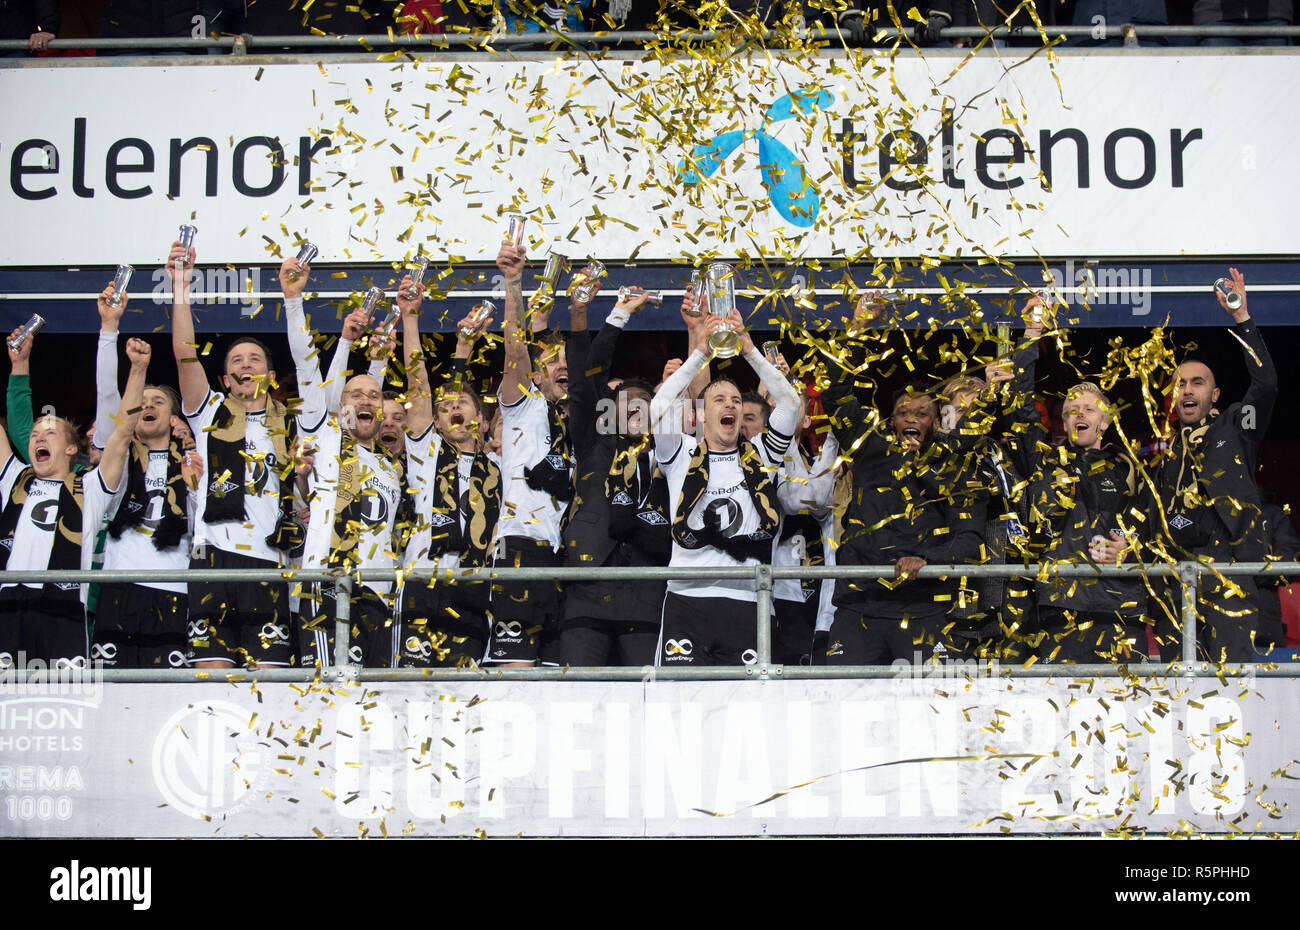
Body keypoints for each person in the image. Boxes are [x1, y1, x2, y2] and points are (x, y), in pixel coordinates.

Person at [171, 237, 300, 669]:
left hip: (270, 559)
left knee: (270, 684)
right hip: (213, 558)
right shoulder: (209, 412)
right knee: (212, 682)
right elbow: (185, 355)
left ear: (270, 374)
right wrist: (181, 286)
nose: (246, 365)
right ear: (225, 379)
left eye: (255, 359)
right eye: (237, 361)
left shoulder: (293, 424)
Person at [559, 286, 704, 667]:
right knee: (579, 692)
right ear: (610, 413)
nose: (637, 409)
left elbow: (697, 406)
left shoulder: (669, 449)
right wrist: (615, 316)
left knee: (646, 694)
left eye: (646, 403)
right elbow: (583, 377)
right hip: (588, 583)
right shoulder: (594, 444)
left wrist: (698, 335)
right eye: (627, 404)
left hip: (647, 585)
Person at [649, 309, 801, 666]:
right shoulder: (682, 452)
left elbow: (790, 403)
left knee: (745, 709)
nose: (730, 404)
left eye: (735, 400)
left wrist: (749, 351)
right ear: (702, 415)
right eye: (719, 400)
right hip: (686, 599)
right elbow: (659, 406)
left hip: (747, 599)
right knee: (680, 705)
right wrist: (700, 354)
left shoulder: (761, 455)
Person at [0, 322, 146, 669]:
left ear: (70, 447)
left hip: (63, 608)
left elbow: (123, 434)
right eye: (34, 434)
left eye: (48, 432)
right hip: (7, 603)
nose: (37, 438)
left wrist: (138, 370)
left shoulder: (92, 487)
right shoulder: (13, 479)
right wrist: (19, 366)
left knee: (61, 710)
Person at [284, 261, 408, 668]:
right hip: (327, 587)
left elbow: (369, 393)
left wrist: (378, 362)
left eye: (374, 395)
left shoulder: (391, 467)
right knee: (327, 705)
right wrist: (294, 301)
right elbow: (308, 370)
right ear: (340, 406)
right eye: (356, 395)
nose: (366, 401)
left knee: (379, 706)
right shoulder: (329, 442)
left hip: (378, 594)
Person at [1151, 268, 1277, 662]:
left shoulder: (1238, 426)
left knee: (1231, 686)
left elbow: (1266, 385)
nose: (1187, 389)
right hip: (1175, 586)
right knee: (1175, 692)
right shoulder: (1165, 453)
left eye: (1198, 382)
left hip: (1229, 578)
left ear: (1215, 393)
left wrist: (1242, 319)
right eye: (1181, 384)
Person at [821, 375, 988, 666]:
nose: (911, 418)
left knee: (932, 707)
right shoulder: (870, 450)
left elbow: (971, 542)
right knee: (845, 703)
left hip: (926, 612)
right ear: (891, 422)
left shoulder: (956, 470)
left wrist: (925, 558)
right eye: (902, 412)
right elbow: (837, 397)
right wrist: (850, 339)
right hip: (860, 607)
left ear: (936, 424)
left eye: (922, 414)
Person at [90, 282, 203, 670]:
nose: (148, 405)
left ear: (174, 417)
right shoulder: (118, 460)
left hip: (174, 589)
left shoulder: (193, 460)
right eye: (143, 401)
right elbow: (108, 395)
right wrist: (110, 329)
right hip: (120, 588)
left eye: (159, 401)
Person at [395, 277, 502, 668]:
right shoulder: (426, 452)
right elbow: (418, 384)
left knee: (468, 693)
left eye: (464, 403)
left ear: (482, 418)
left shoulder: (500, 468)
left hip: (476, 585)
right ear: (436, 423)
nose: (454, 408)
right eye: (445, 407)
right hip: (424, 579)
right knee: (411, 689)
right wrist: (410, 318)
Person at [489, 239, 575, 666]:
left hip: (563, 555)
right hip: (520, 544)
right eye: (552, 362)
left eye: (568, 362)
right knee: (516, 669)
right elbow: (515, 350)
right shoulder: (524, 407)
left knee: (557, 673)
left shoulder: (581, 424)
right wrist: (513, 282)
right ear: (536, 377)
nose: (562, 367)